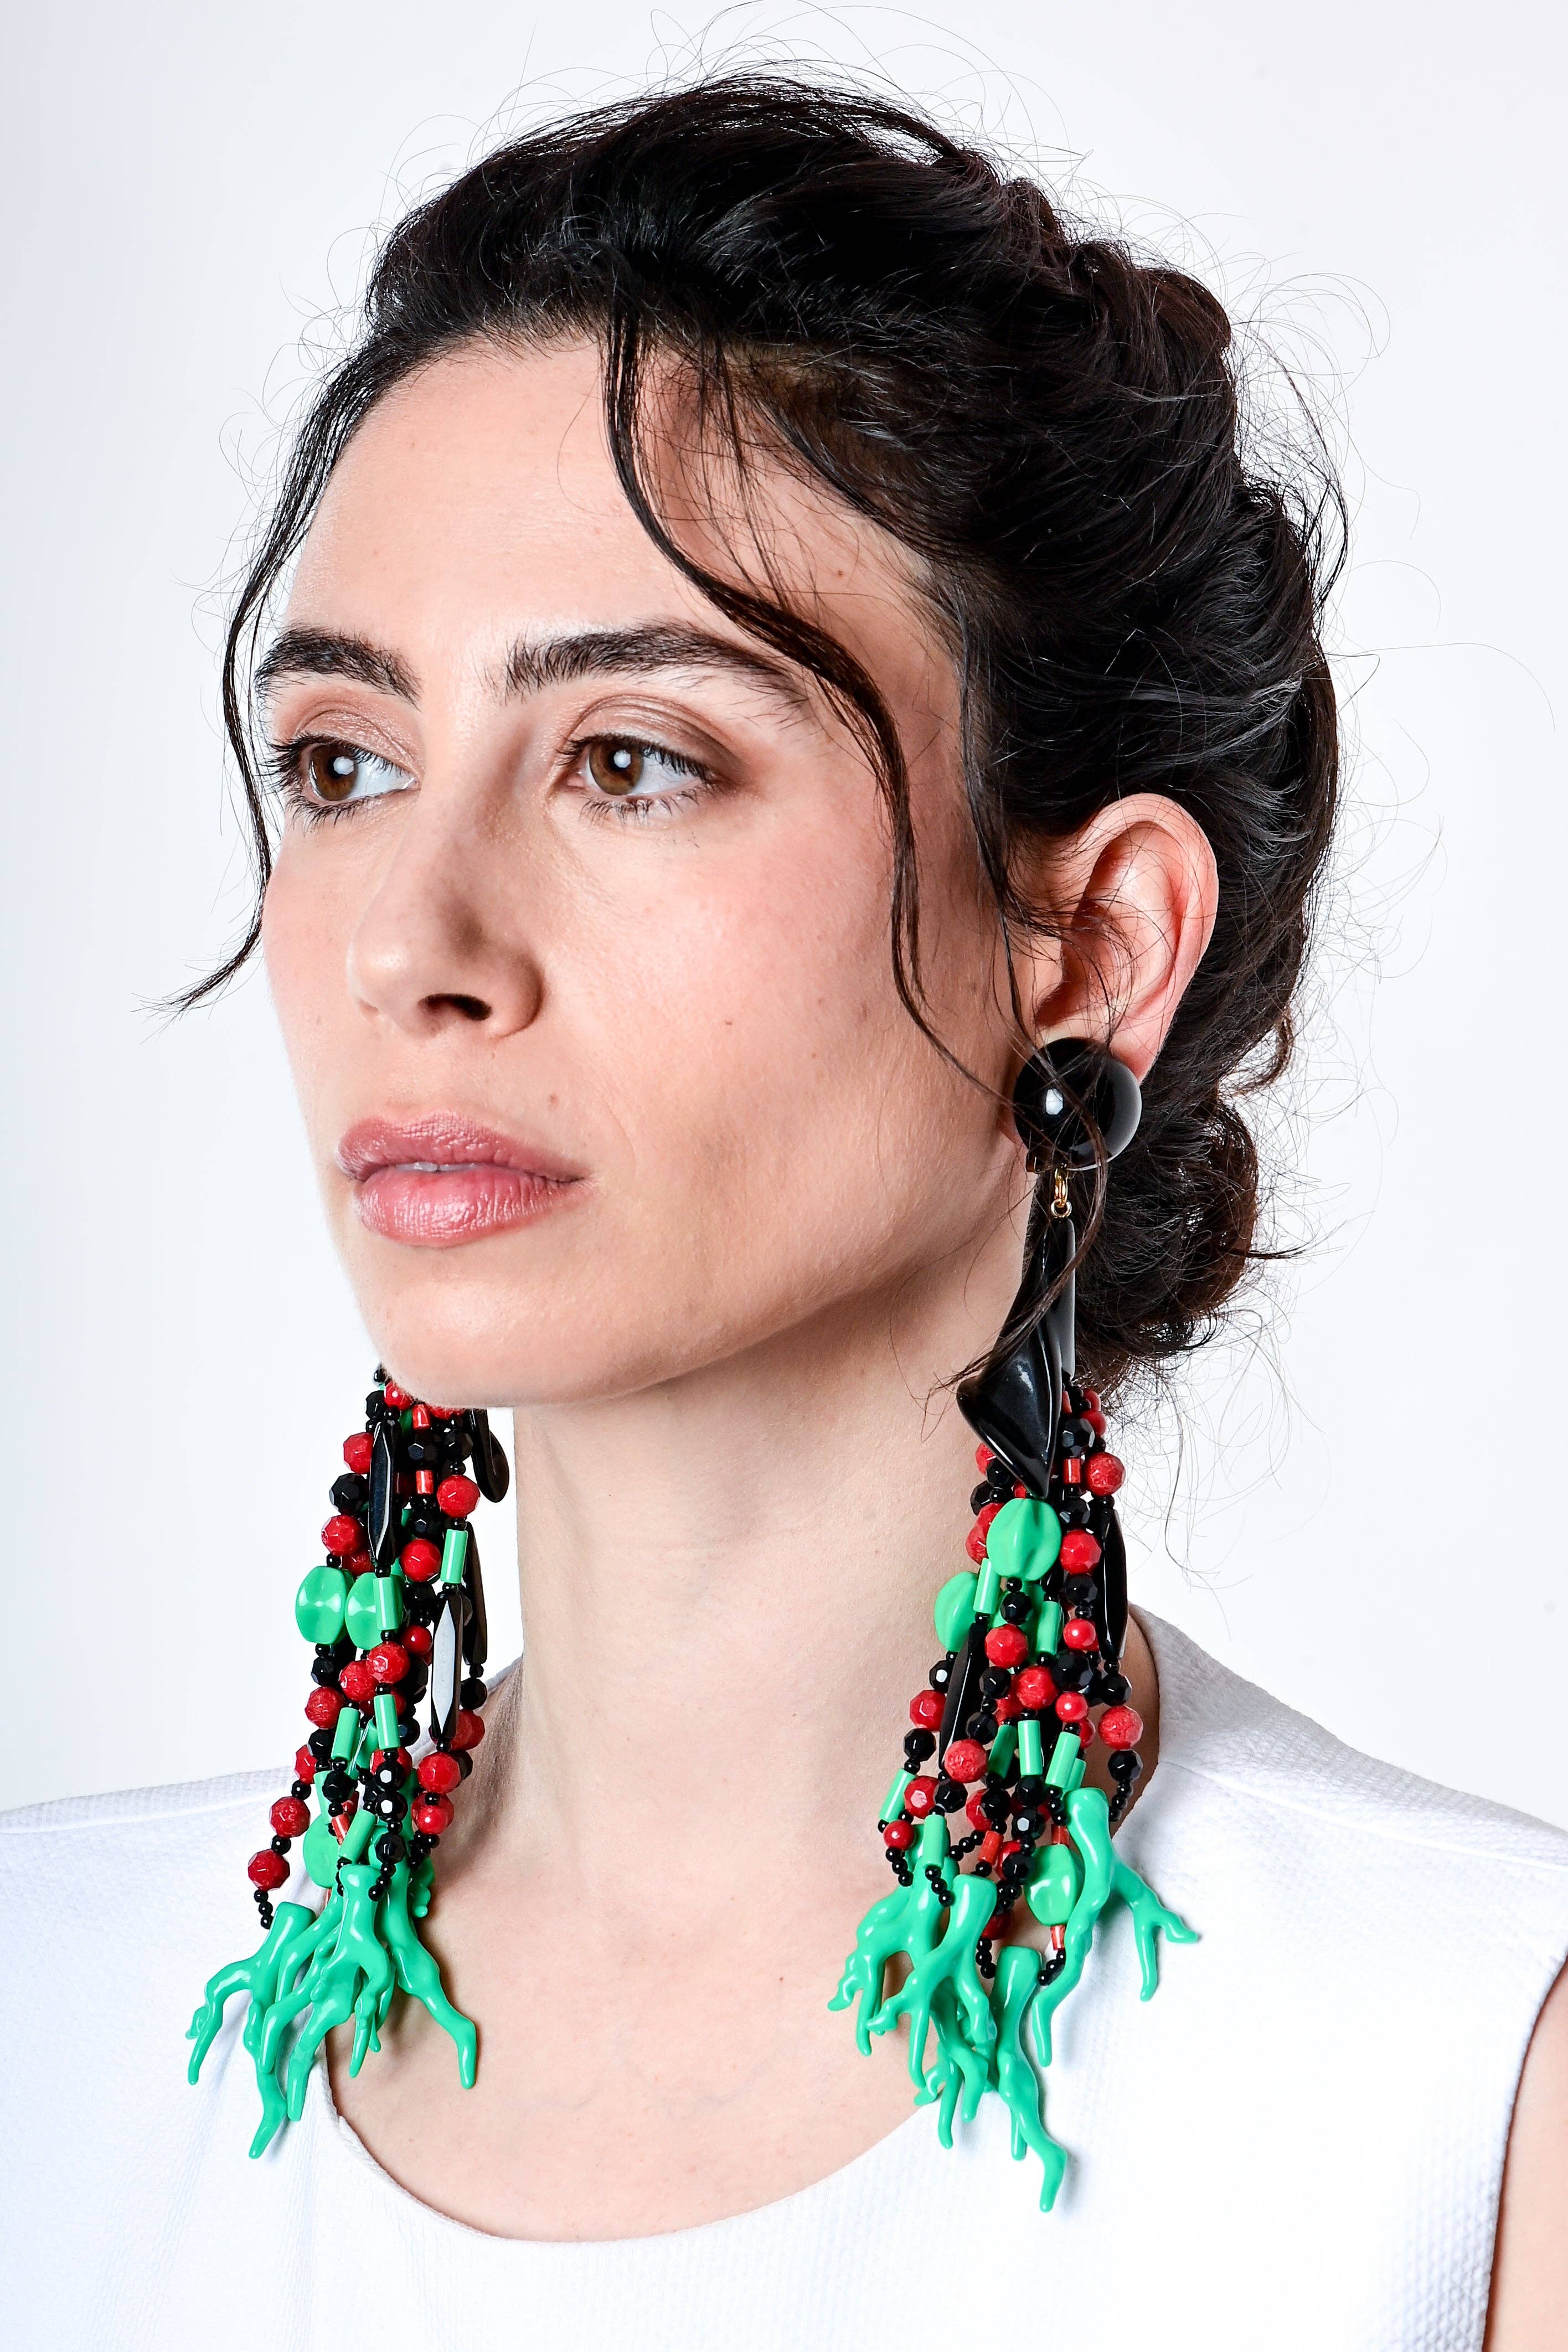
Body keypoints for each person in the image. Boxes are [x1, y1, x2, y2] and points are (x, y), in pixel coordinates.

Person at [2, 74, 1564, 2352]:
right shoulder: (40, 2036)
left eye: (633, 761)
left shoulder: (1465, 2102)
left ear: (1092, 939)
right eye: (345, 764)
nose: (409, 941)